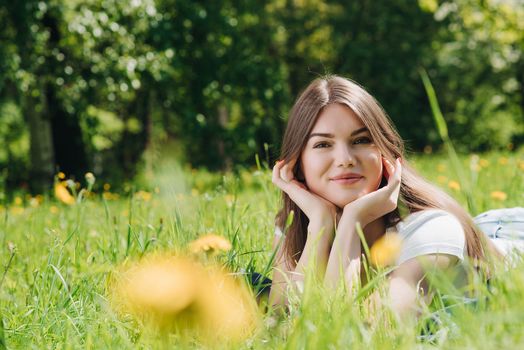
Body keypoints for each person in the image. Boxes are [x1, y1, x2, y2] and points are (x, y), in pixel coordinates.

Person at [268, 75, 508, 318]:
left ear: (386, 151)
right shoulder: (296, 224)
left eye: (361, 140)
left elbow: (360, 332)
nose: (345, 159)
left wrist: (353, 221)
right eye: (323, 144)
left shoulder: (431, 229)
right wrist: (320, 224)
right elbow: (279, 319)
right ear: (297, 163)